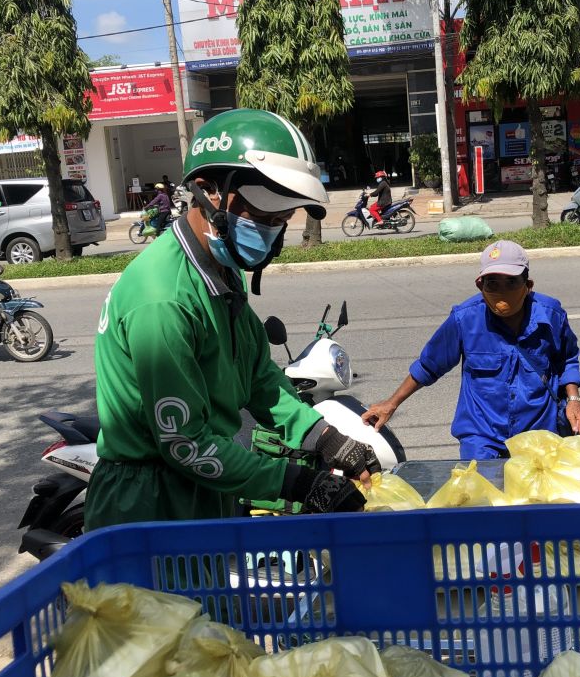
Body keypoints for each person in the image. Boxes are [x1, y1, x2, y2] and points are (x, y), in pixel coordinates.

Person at [85, 109, 379, 530]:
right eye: (262, 217)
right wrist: (296, 482)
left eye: (281, 221)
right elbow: (185, 444)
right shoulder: (163, 300)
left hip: (207, 487)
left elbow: (257, 375)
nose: (271, 232)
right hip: (151, 504)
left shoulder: (222, 269)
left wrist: (324, 437)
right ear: (207, 191)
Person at [362, 241, 580, 460]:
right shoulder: (464, 319)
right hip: (482, 437)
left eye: (511, 282)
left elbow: (567, 359)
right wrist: (391, 403)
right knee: (480, 485)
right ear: (481, 286)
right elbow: (429, 366)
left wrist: (574, 400)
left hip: (538, 433)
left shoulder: (551, 314)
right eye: (492, 283)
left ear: (528, 285)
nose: (502, 291)